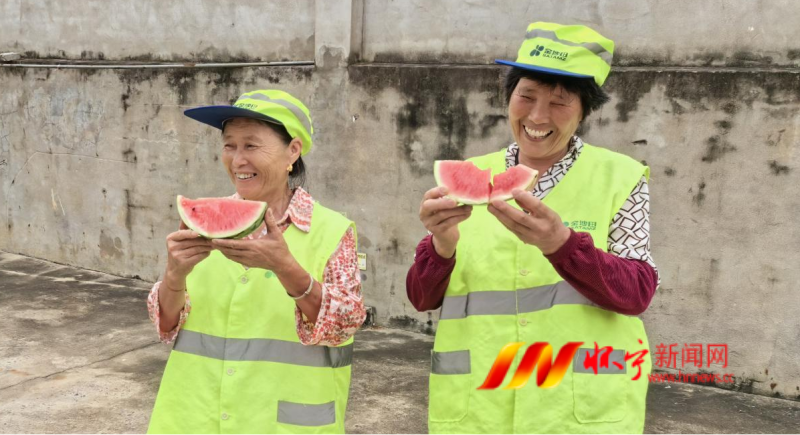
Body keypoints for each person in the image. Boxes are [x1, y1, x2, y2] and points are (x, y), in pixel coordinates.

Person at [407, 23, 658, 434]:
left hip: (577, 412)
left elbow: (637, 292)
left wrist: (562, 246)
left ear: (584, 111)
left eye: (559, 102)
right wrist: (441, 246)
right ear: (509, 97)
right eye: (526, 96)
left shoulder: (622, 178)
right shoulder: (474, 174)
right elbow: (421, 298)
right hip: (479, 410)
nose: (537, 116)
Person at [146, 89, 366, 434]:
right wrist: (174, 276)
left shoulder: (332, 231)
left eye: (251, 145)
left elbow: (345, 324)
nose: (237, 160)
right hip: (195, 419)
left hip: (284, 423)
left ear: (292, 150)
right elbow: (166, 325)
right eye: (229, 145)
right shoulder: (203, 221)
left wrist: (286, 268)